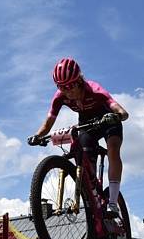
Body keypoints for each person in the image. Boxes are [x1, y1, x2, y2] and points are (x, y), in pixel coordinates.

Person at [27, 57, 129, 217]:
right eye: (62, 87)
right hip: (87, 123)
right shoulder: (60, 96)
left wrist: (120, 114)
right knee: (82, 150)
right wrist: (38, 136)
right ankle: (92, 190)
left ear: (79, 80)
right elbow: (48, 122)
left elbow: (117, 107)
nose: (67, 90)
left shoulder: (93, 89)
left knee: (113, 150)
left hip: (108, 120)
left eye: (70, 86)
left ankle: (113, 202)